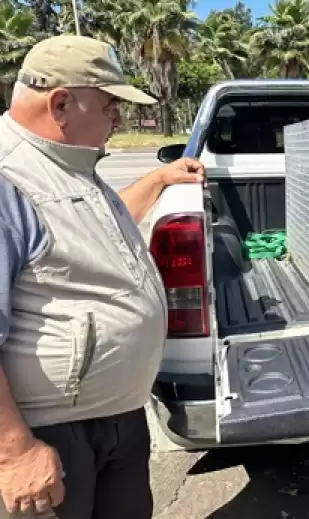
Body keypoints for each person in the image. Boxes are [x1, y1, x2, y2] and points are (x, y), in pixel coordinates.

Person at [0, 35, 204, 518]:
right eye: (111, 104)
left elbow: (99, 235)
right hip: (50, 433)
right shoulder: (10, 178)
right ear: (62, 103)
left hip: (114, 418)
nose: (119, 118)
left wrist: (157, 179)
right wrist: (13, 449)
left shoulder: (67, 164)